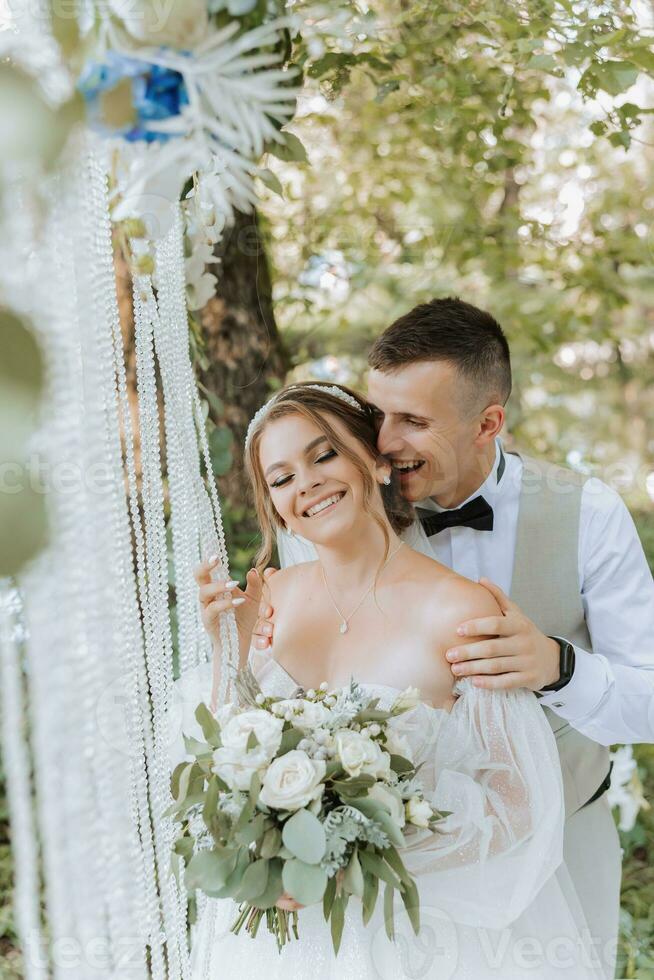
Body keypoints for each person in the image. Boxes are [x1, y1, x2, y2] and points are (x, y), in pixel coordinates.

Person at [252, 298, 654, 978]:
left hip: (564, 834)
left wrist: (558, 667)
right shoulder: (339, 508)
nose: (382, 440)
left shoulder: (586, 513)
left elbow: (647, 700)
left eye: (413, 421)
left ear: (488, 422)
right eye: (379, 415)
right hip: (375, 863)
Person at [189, 382, 606, 979]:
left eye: (324, 454)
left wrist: (347, 858)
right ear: (274, 505)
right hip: (281, 942)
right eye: (280, 478)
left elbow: (517, 806)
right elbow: (227, 758)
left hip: (416, 934)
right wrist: (226, 651)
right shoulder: (270, 597)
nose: (305, 483)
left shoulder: (463, 611)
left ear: (376, 461)